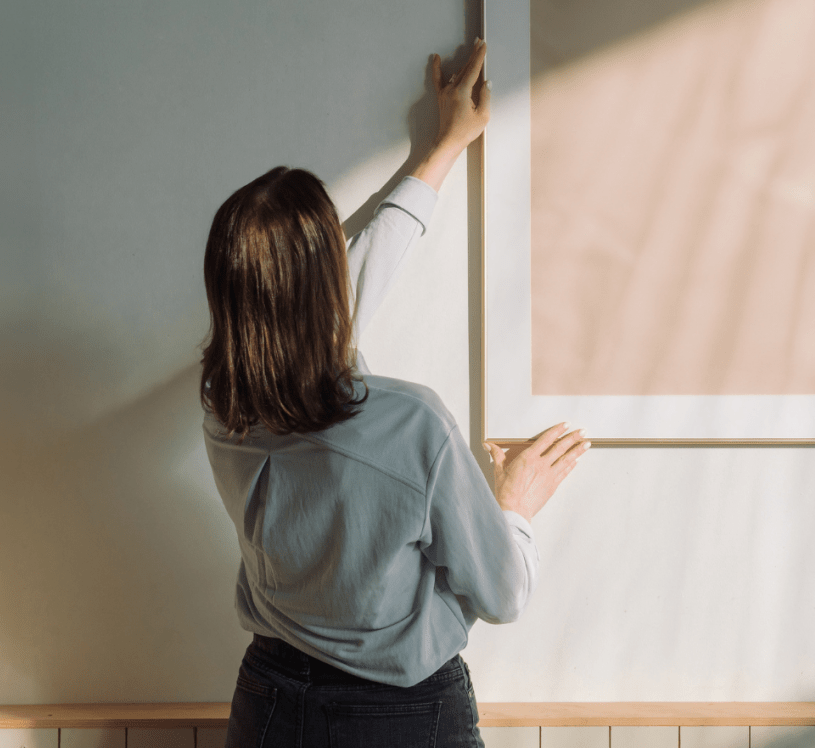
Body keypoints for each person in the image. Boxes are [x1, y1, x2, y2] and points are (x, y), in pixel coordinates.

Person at [200, 38, 589, 748]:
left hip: (269, 702)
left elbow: (348, 281)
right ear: (324, 292)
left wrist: (442, 150)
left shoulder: (224, 403)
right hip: (398, 719)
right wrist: (514, 505)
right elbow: (503, 595)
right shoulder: (411, 424)